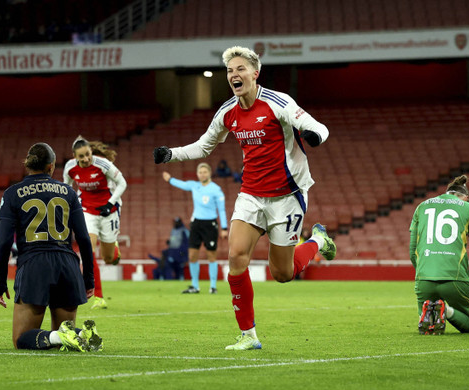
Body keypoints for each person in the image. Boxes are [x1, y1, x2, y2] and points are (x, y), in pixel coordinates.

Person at [153, 46, 337, 350]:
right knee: (236, 257)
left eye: (239, 69)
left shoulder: (278, 102)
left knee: (282, 273)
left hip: (287, 196)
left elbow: (318, 126)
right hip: (251, 194)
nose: (233, 75)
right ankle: (248, 335)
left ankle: (317, 240)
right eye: (229, 71)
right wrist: (170, 155)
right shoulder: (227, 111)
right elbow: (204, 146)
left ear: (255, 73)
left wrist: (314, 136)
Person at [0, 142, 102, 352]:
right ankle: (80, 333)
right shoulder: (69, 192)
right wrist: (89, 280)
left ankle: (61, 336)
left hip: (34, 265)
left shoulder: (12, 193)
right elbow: (83, 238)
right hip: (68, 267)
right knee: (65, 333)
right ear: (51, 166)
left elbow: (5, 241)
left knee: (21, 339)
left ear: (28, 164)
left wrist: (0, 283)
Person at [409, 175, 469, 334]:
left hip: (424, 281)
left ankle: (431, 310)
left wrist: (423, 272)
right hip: (455, 279)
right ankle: (446, 310)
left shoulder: (421, 207)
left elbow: (412, 252)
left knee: (427, 312)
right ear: (466, 198)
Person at [63, 136, 127, 309]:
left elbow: (122, 183)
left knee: (109, 259)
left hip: (109, 211)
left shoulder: (103, 164)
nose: (86, 159)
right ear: (74, 156)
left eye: (88, 155)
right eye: (81, 156)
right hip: (87, 211)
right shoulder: (70, 168)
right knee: (88, 251)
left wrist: (110, 203)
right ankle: (98, 296)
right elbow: (67, 188)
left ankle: (113, 247)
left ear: (91, 152)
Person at [163, 163, 229, 294]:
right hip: (196, 224)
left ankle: (213, 286)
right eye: (200, 172)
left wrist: (224, 227)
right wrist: (170, 179)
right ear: (197, 174)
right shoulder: (194, 185)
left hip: (210, 224)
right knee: (192, 255)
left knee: (211, 255)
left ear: (209, 173)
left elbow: (221, 209)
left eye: (205, 172)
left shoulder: (216, 189)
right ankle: (195, 286)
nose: (202, 174)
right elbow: (182, 184)